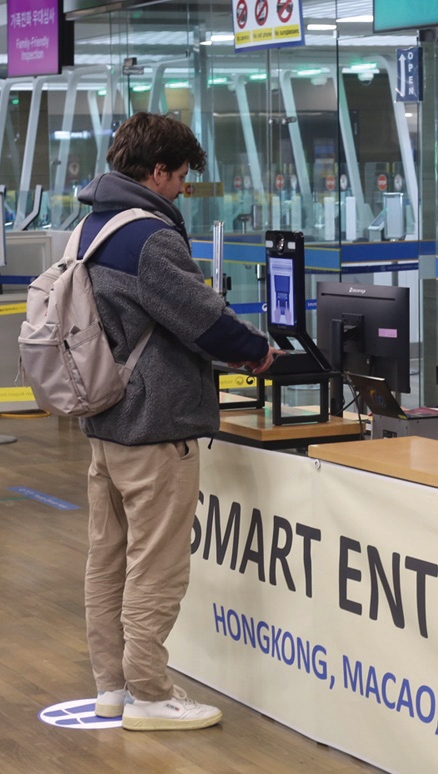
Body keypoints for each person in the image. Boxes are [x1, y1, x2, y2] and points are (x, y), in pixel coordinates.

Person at [76, 111, 277, 732]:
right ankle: (152, 695)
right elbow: (204, 319)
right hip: (154, 427)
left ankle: (112, 688)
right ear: (157, 170)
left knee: (107, 561)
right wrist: (259, 351)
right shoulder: (149, 238)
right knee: (156, 568)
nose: (184, 187)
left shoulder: (92, 224)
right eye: (182, 174)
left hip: (106, 423)